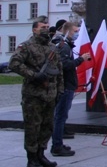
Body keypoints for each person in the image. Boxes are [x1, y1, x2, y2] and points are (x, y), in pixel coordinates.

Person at [9, 16, 64, 167]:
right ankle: (32, 158)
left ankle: (41, 155)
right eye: (42, 27)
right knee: (33, 127)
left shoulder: (52, 48)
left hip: (50, 95)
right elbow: (14, 63)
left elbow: (59, 71)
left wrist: (60, 90)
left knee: (47, 127)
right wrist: (34, 75)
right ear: (34, 30)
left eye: (47, 26)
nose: (46, 29)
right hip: (33, 95)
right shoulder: (26, 46)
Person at [51, 22, 92, 157]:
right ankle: (56, 145)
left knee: (61, 116)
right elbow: (64, 65)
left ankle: (58, 143)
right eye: (75, 31)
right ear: (68, 31)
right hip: (65, 86)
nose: (77, 33)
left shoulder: (65, 46)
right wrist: (81, 59)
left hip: (67, 85)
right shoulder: (63, 47)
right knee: (60, 117)